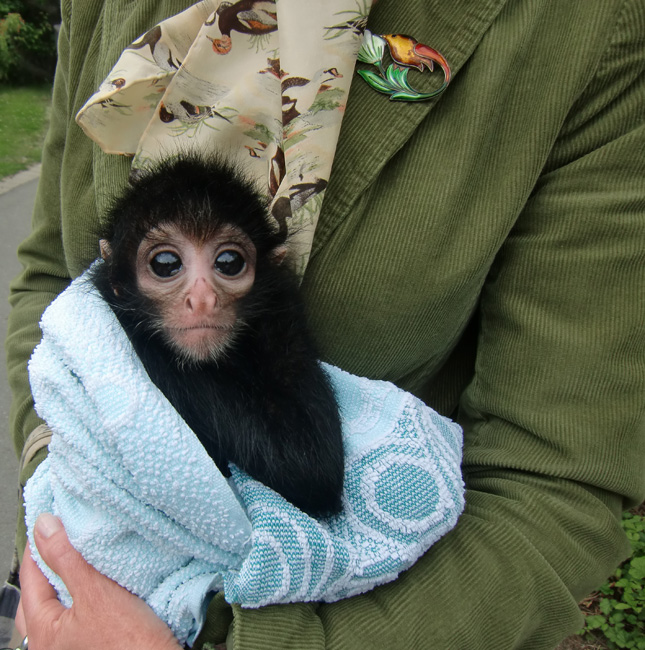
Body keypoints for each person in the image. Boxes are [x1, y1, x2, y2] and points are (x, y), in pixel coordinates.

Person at [5, 0, 645, 648]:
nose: (200, 298)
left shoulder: (587, 26)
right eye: (167, 264)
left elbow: (554, 479)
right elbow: (47, 278)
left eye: (227, 263)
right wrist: (66, 504)